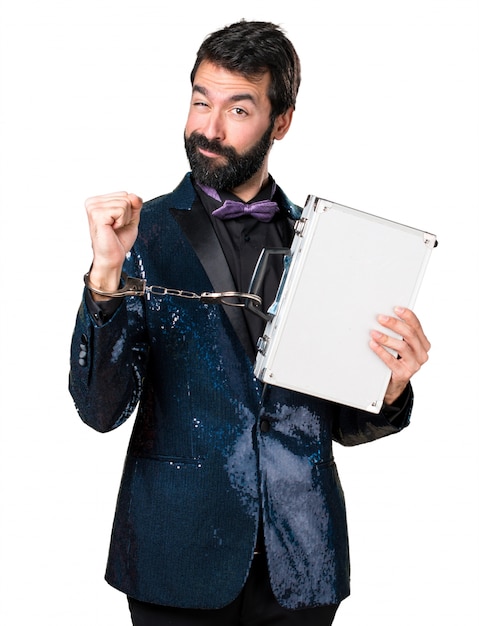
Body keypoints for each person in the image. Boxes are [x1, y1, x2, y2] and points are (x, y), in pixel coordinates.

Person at [69, 20, 431, 626]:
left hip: (303, 562)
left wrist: (390, 386)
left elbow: (341, 423)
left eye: (237, 109)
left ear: (281, 121)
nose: (208, 129)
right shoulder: (139, 234)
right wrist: (105, 274)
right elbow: (99, 409)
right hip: (177, 557)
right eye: (199, 102)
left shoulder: (328, 248)